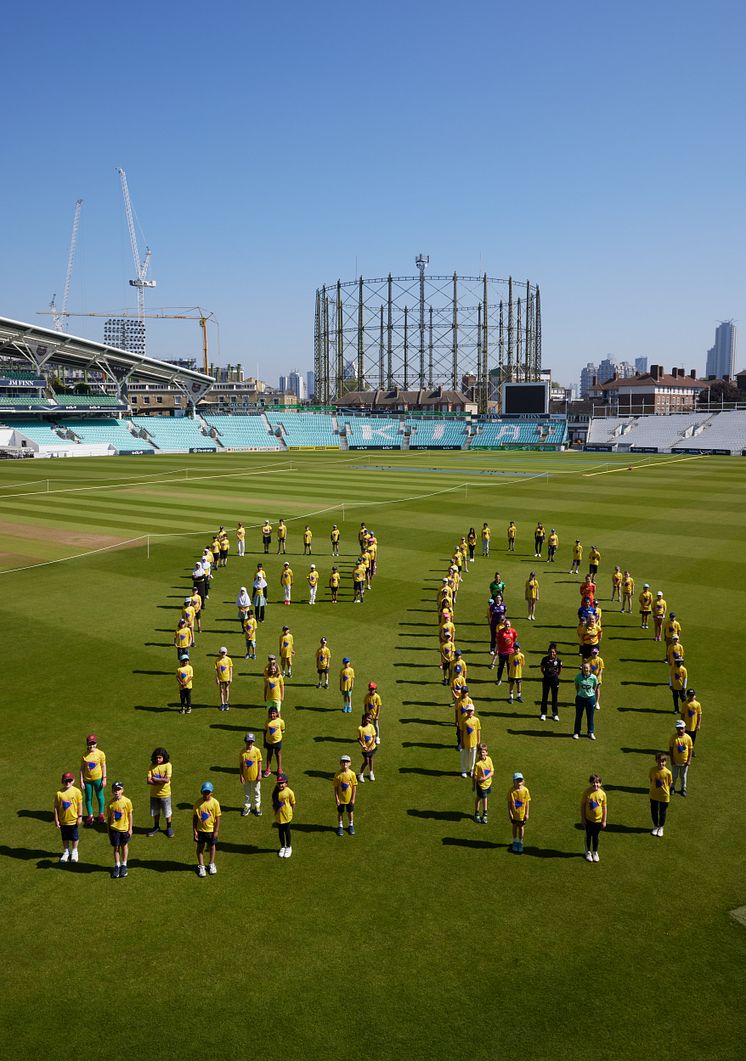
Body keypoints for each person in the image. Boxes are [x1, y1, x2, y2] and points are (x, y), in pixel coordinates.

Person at [54, 772, 83, 864]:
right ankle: (66, 851)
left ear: (73, 781)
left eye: (70, 780)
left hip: (73, 820)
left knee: (74, 837)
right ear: (62, 781)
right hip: (63, 821)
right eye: (66, 781)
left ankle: (75, 851)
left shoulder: (77, 791)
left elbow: (79, 805)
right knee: (65, 837)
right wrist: (56, 819)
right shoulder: (59, 793)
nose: (68, 782)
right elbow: (56, 807)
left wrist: (80, 816)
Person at [106, 780, 133, 878]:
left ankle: (124, 865)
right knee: (116, 848)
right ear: (112, 791)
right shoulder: (110, 803)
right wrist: (108, 831)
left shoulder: (127, 801)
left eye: (119, 789)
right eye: (115, 790)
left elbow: (130, 815)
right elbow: (109, 819)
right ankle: (117, 865)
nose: (117, 791)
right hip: (114, 829)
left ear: (122, 790)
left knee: (124, 846)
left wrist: (130, 829)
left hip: (124, 829)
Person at [193, 781, 220, 876]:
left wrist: (216, 831)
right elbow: (195, 817)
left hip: (211, 830)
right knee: (200, 848)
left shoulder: (215, 803)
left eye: (208, 792)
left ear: (211, 793)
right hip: (200, 831)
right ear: (201, 792)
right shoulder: (198, 803)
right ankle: (201, 866)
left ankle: (211, 863)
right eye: (204, 792)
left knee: (212, 846)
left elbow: (217, 817)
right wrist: (195, 830)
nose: (206, 794)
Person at [80, 734, 107, 826]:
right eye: (90, 744)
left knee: (100, 796)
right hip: (87, 780)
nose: (91, 746)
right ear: (87, 744)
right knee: (88, 798)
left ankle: (101, 815)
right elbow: (82, 768)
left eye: (93, 743)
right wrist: (81, 781)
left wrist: (104, 779)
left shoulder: (101, 753)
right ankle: (90, 816)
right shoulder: (84, 755)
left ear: (96, 743)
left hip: (98, 779)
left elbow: (103, 766)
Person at [146, 747, 173, 837]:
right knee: (155, 811)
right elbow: (148, 781)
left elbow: (167, 780)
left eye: (160, 757)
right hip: (154, 794)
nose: (158, 759)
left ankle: (169, 827)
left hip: (165, 794)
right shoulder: (151, 766)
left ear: (164, 757)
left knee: (167, 812)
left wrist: (156, 779)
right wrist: (161, 781)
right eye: (157, 757)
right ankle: (156, 826)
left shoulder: (168, 765)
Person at [580, 774, 607, 862]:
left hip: (598, 821)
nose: (595, 784)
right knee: (588, 835)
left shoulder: (603, 794)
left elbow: (604, 807)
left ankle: (595, 852)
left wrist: (604, 820)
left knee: (596, 836)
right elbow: (583, 806)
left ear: (601, 784)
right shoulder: (587, 792)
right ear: (590, 782)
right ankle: (588, 852)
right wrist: (583, 819)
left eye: (597, 782)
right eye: (593, 782)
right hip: (588, 820)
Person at [573, 661, 598, 740]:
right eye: (584, 668)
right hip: (580, 698)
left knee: (590, 716)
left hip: (590, 699)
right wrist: (581, 693)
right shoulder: (578, 676)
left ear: (590, 668)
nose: (585, 669)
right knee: (578, 716)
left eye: (587, 668)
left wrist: (590, 693)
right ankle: (577, 732)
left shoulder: (593, 677)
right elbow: (577, 686)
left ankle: (590, 732)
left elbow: (595, 687)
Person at [649, 752, 672, 837]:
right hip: (653, 795)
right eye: (659, 761)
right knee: (654, 811)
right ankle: (655, 826)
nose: (661, 763)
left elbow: (669, 783)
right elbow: (651, 780)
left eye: (663, 761)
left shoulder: (668, 772)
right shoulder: (652, 770)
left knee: (662, 812)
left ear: (666, 762)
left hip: (664, 795)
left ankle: (661, 827)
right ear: (656, 761)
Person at [507, 771, 531, 853]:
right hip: (514, 814)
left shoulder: (525, 790)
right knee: (514, 826)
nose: (519, 782)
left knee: (521, 827)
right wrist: (510, 813)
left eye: (521, 780)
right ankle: (515, 841)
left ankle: (520, 842)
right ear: (514, 781)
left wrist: (527, 813)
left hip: (522, 815)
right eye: (517, 780)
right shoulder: (511, 791)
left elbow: (527, 802)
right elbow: (509, 803)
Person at [240, 732, 263, 817]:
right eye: (248, 741)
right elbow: (241, 764)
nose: (249, 743)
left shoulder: (256, 751)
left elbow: (260, 762)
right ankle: (247, 806)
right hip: (246, 777)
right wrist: (241, 775)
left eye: (251, 741)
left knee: (257, 792)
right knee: (247, 793)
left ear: (253, 742)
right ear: (245, 741)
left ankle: (257, 806)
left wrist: (260, 773)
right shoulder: (242, 752)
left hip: (256, 776)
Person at [273, 773, 296, 858]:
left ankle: (289, 847)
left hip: (287, 815)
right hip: (279, 816)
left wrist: (292, 812)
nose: (280, 785)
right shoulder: (275, 792)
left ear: (286, 783)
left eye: (282, 783)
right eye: (279, 783)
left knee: (287, 831)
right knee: (280, 831)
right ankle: (283, 846)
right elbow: (273, 804)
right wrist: (276, 808)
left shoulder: (289, 792)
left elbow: (293, 803)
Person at [334, 754, 358, 836]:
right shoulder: (337, 774)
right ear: (340, 763)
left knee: (350, 812)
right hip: (340, 799)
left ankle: (351, 825)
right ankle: (340, 826)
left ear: (350, 763)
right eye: (343, 762)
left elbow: (354, 787)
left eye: (347, 762)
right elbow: (336, 788)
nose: (345, 763)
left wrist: (353, 799)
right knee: (340, 812)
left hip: (349, 798)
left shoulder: (352, 774)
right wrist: (337, 798)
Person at [669, 720, 693, 796]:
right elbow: (671, 749)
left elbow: (690, 749)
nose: (680, 730)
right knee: (674, 776)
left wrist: (689, 760)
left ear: (685, 728)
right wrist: (672, 760)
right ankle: (672, 787)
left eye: (682, 728)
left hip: (684, 762)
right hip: (675, 762)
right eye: (678, 728)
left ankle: (683, 789)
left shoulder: (688, 738)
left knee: (683, 776)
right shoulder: (673, 738)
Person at [539, 644, 562, 722]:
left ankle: (555, 714)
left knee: (554, 697)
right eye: (550, 652)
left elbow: (559, 670)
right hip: (546, 680)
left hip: (555, 680)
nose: (552, 654)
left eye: (553, 652)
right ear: (548, 652)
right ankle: (543, 713)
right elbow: (542, 669)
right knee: (544, 696)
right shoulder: (544, 659)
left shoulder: (558, 660)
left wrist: (555, 676)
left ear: (555, 653)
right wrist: (546, 675)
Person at [472, 744, 494, 824]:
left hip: (488, 783)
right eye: (480, 752)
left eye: (484, 752)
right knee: (480, 798)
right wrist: (474, 785)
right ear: (478, 753)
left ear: (487, 752)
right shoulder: (478, 764)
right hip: (481, 785)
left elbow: (492, 772)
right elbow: (475, 776)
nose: (482, 754)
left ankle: (483, 813)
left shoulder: (489, 759)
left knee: (484, 797)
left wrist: (485, 778)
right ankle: (478, 813)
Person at [458, 703, 481, 778]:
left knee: (472, 758)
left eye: (471, 711)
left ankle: (471, 770)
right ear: (466, 711)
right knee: (464, 757)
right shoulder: (463, 720)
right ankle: (463, 770)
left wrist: (478, 741)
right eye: (468, 711)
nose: (470, 712)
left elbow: (478, 730)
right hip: (465, 742)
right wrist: (461, 742)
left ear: (473, 711)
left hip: (473, 743)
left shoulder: (476, 720)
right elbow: (461, 731)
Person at [494, 619, 518, 685]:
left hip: (510, 652)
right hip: (502, 652)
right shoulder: (500, 632)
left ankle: (510, 678)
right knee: (501, 666)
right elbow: (498, 641)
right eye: (506, 624)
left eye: (508, 624)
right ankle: (499, 680)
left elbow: (515, 639)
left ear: (510, 625)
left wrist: (514, 649)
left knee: (509, 666)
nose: (507, 625)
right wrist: (497, 650)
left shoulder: (513, 631)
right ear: (504, 625)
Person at [263, 706, 285, 777]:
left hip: (278, 741)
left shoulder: (281, 721)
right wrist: (264, 741)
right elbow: (265, 731)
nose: (272, 715)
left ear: (277, 714)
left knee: (278, 754)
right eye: (270, 713)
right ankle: (268, 769)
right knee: (269, 755)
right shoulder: (267, 721)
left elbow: (282, 730)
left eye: (273, 713)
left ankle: (279, 769)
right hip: (269, 741)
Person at [357, 710, 378, 782]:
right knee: (366, 762)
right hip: (365, 749)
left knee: (371, 759)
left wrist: (370, 747)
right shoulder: (360, 728)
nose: (369, 720)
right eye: (369, 718)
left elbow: (374, 737)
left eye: (371, 719)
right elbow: (359, 739)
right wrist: (363, 746)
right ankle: (360, 774)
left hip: (372, 747)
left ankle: (371, 773)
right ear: (364, 717)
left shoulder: (371, 726)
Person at [215, 647, 233, 711]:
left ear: (226, 653)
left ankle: (226, 702)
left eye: (224, 652)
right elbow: (216, 670)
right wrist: (217, 678)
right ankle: (222, 703)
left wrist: (230, 678)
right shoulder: (217, 660)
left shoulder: (229, 659)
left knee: (227, 690)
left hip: (227, 677)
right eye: (222, 652)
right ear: (220, 653)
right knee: (221, 690)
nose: (223, 654)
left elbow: (230, 669)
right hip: (221, 678)